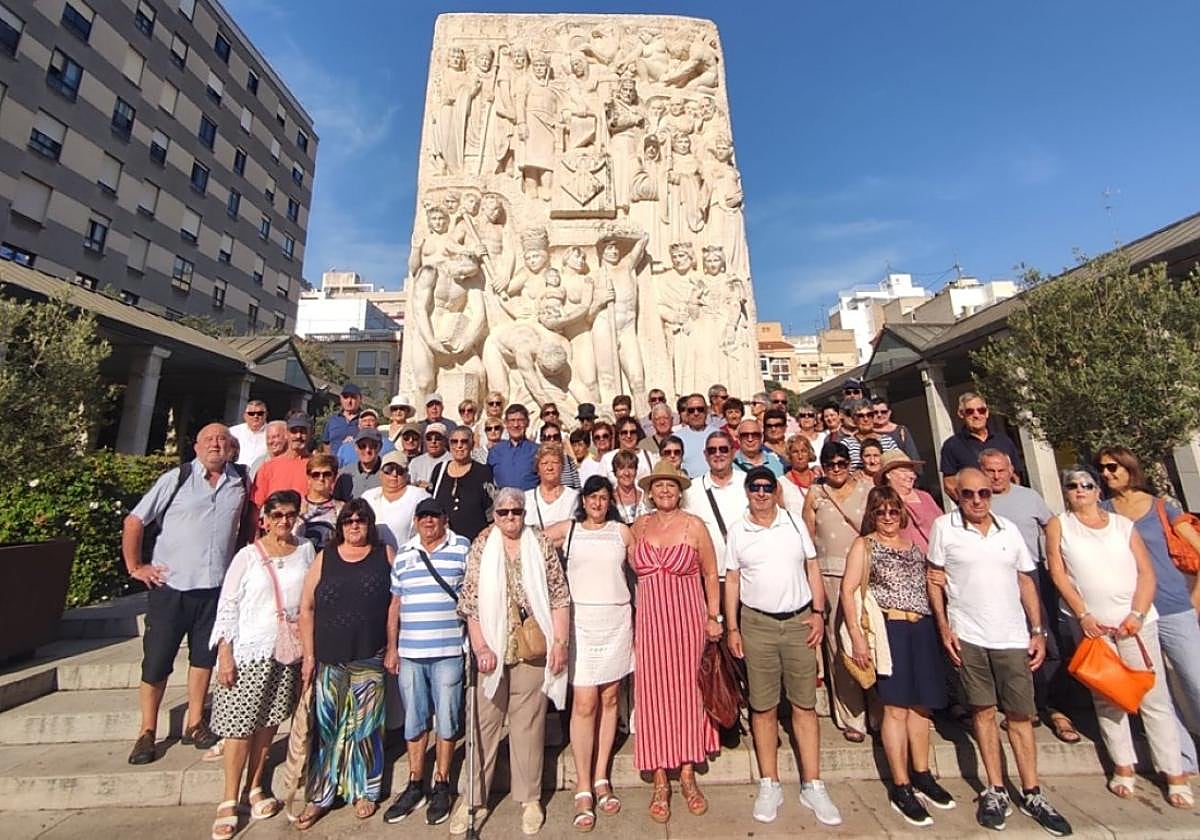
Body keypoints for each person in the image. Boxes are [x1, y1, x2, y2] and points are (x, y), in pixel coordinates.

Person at [927, 468, 1071, 835]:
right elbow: (934, 578)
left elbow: (1026, 579)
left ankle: (1032, 789)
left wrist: (1037, 630)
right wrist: (944, 627)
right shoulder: (945, 528)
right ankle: (995, 788)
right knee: (983, 712)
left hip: (1011, 635)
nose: (976, 500)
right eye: (968, 494)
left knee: (1021, 716)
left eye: (984, 493)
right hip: (969, 634)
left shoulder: (1008, 530)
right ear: (957, 495)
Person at [1045, 466, 1192, 808]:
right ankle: (1123, 765)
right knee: (1107, 697)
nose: (1080, 489)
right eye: (1073, 485)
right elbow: (1058, 572)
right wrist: (1083, 613)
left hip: (1135, 623)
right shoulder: (1059, 525)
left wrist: (1138, 613)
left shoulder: (1123, 526)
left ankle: (1173, 770)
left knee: (1154, 697)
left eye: (1087, 484)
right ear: (1066, 492)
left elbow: (1146, 572)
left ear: (1098, 491)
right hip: (1091, 624)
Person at [123, 423, 249, 765]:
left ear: (231, 448)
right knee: (158, 659)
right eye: (209, 439)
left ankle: (195, 721)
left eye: (222, 440)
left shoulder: (239, 481)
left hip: (214, 587)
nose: (216, 444)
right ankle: (147, 730)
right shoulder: (175, 479)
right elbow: (135, 521)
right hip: (171, 586)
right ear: (196, 447)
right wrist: (136, 567)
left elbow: (243, 525)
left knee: (203, 658)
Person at [724, 467, 842, 826]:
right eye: (755, 487)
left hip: (798, 621)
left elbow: (812, 566)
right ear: (747, 492)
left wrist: (819, 612)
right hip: (757, 623)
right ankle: (769, 781)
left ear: (776, 491)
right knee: (763, 706)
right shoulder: (738, 530)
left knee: (804, 704)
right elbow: (731, 579)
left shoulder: (792, 522)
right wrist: (732, 626)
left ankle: (814, 782)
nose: (761, 493)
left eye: (766, 487)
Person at [453, 487, 571, 836]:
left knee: (528, 725)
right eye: (503, 513)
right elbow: (470, 601)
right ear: (494, 514)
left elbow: (559, 594)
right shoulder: (482, 546)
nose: (509, 518)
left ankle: (529, 797)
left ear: (524, 513)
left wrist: (560, 642)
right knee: (483, 726)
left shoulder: (540, 544)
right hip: (492, 648)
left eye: (515, 512)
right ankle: (472, 799)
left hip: (531, 648)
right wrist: (480, 647)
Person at [841, 486, 952, 827]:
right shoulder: (865, 545)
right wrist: (857, 637)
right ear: (872, 515)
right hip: (890, 628)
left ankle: (922, 772)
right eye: (881, 512)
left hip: (921, 627)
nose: (887, 517)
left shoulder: (914, 546)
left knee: (921, 706)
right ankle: (900, 783)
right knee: (895, 707)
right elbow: (848, 589)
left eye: (893, 511)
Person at [208, 489, 314, 839]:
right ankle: (228, 797)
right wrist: (225, 652)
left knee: (268, 721)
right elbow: (228, 604)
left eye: (290, 514)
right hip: (249, 648)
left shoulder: (305, 550)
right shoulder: (247, 556)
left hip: (285, 649)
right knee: (240, 726)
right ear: (265, 518)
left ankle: (255, 786)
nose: (284, 521)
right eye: (277, 515)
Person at [1096, 445, 1200, 774]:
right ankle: (1182, 761)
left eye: (1113, 467)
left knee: (1194, 680)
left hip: (1173, 607)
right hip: (1134, 613)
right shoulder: (1104, 511)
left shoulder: (1160, 508)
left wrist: (1194, 600)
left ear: (1129, 469)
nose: (1107, 474)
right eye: (1102, 468)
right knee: (1157, 693)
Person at [630, 460, 722, 823]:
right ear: (649, 491)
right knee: (653, 695)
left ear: (679, 490)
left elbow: (711, 572)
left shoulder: (694, 525)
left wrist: (714, 617)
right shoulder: (639, 526)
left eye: (671, 485)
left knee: (687, 692)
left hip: (688, 619)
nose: (665, 491)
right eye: (659, 486)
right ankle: (658, 777)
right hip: (651, 622)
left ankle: (686, 772)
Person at [544, 477, 636, 831]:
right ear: (583, 500)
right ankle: (583, 783)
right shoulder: (568, 530)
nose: (598, 503)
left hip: (617, 618)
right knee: (584, 702)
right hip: (581, 621)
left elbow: (644, 569)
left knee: (611, 698)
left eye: (603, 497)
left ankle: (601, 777)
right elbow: (527, 538)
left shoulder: (621, 532)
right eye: (592, 497)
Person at [295, 500, 395, 828]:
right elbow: (306, 607)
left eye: (361, 520)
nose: (355, 525)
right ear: (340, 526)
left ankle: (365, 791)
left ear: (370, 524)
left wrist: (393, 646)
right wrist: (308, 656)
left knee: (366, 729)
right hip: (330, 656)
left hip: (369, 654)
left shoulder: (385, 555)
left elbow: (396, 603)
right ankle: (321, 795)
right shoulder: (327, 557)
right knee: (326, 728)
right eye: (349, 520)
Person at [382, 499, 472, 826]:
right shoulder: (405, 554)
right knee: (414, 719)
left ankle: (442, 781)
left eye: (435, 515)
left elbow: (472, 595)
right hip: (410, 652)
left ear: (445, 518)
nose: (429, 521)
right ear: (416, 520)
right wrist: (392, 647)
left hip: (449, 650)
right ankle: (415, 782)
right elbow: (395, 603)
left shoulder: (462, 547)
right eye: (423, 516)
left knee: (447, 719)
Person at [980, 448, 1078, 743]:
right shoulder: (978, 500)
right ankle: (1025, 705)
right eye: (990, 470)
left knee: (1045, 636)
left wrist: (1053, 561)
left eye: (1001, 469)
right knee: (1010, 643)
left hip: (1033, 573)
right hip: (996, 578)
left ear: (1011, 469)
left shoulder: (1029, 497)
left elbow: (1052, 527)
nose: (996, 476)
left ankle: (1055, 707)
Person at [802, 441, 875, 742]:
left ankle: (879, 713)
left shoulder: (867, 488)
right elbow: (808, 539)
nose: (836, 468)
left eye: (842, 463)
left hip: (866, 574)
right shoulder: (816, 493)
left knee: (871, 639)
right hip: (830, 574)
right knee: (838, 643)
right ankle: (852, 716)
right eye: (830, 463)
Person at [683, 429, 747, 584]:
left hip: (746, 575)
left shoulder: (748, 483)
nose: (718, 454)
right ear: (705, 455)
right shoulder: (692, 490)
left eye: (723, 449)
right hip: (710, 578)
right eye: (712, 450)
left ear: (733, 452)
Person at [938, 392, 1023, 501]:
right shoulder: (952, 445)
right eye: (970, 411)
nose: (976, 415)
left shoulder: (1004, 441)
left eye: (981, 410)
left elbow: (1015, 476)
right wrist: (971, 505)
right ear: (961, 414)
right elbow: (949, 484)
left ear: (987, 413)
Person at [431, 427, 494, 543]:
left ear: (472, 444)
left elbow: (491, 511)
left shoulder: (483, 472)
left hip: (475, 541)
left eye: (464, 441)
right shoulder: (439, 470)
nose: (459, 446)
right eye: (454, 441)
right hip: (444, 542)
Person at [362, 451, 429, 551]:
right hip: (373, 558)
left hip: (407, 558)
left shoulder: (420, 496)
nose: (394, 474)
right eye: (389, 469)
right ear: (380, 473)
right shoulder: (368, 496)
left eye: (399, 470)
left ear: (407, 474)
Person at [877, 452, 940, 553]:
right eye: (904, 471)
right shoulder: (882, 500)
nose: (911, 476)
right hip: (904, 561)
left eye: (912, 471)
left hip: (937, 559)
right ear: (888, 474)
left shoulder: (925, 497)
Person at [252, 414, 313, 508]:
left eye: (303, 431)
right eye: (294, 431)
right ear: (286, 435)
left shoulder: (318, 467)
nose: (298, 436)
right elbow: (255, 506)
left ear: (310, 434)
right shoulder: (268, 467)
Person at [526, 442, 579, 532]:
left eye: (555, 462)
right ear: (537, 469)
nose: (549, 467)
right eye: (544, 463)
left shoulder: (574, 497)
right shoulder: (527, 498)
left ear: (562, 467)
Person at [295, 454, 343, 553]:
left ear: (334, 478)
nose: (321, 478)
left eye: (327, 474)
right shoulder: (296, 507)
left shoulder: (341, 509)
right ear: (308, 478)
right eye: (316, 475)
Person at [488, 403, 539, 490]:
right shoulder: (495, 451)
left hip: (529, 501)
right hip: (502, 501)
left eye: (520, 420)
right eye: (512, 420)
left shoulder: (537, 450)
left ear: (527, 423)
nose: (516, 425)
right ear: (506, 423)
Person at [334, 427, 384, 501]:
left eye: (373, 446)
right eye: (362, 446)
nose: (367, 450)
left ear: (380, 447)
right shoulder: (344, 474)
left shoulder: (388, 473)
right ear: (356, 448)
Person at [603, 417, 656, 482]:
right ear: (618, 435)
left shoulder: (648, 456)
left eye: (632, 432)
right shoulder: (607, 459)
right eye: (624, 432)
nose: (629, 436)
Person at [871, 396, 921, 464]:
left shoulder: (901, 431)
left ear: (889, 412)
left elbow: (913, 456)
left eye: (883, 412)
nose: (879, 415)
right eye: (875, 412)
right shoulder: (868, 432)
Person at [676, 393, 715, 478]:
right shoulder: (676, 438)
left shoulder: (718, 434)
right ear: (686, 413)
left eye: (700, 409)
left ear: (707, 410)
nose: (696, 413)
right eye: (691, 410)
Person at [780, 435, 817, 518]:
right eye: (795, 452)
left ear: (809, 453)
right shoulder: (782, 484)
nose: (800, 456)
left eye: (804, 451)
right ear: (789, 456)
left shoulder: (819, 479)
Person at [611, 449, 650, 523]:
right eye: (621, 468)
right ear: (615, 472)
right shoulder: (609, 499)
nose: (626, 473)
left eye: (630, 467)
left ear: (636, 470)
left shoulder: (646, 497)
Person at [538, 422, 580, 489]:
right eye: (548, 437)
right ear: (542, 440)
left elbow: (577, 486)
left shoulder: (568, 460)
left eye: (556, 437)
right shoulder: (537, 461)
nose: (552, 440)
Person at [411, 422, 451, 489]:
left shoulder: (452, 460)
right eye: (429, 438)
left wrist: (431, 487)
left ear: (445, 441)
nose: (433, 441)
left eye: (437, 438)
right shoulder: (415, 462)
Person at [229, 400, 269, 466]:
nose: (255, 416)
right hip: (237, 473)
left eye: (260, 413)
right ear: (245, 415)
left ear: (266, 415)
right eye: (251, 413)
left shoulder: (273, 433)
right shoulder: (233, 432)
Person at [324, 384, 362, 452]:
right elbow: (326, 444)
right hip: (335, 461)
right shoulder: (333, 420)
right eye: (346, 397)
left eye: (353, 397)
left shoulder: (365, 420)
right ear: (341, 399)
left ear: (360, 399)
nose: (349, 401)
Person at [578, 420, 614, 485]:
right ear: (594, 441)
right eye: (597, 437)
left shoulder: (618, 459)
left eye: (605, 436)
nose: (601, 439)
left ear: (611, 438)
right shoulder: (587, 464)